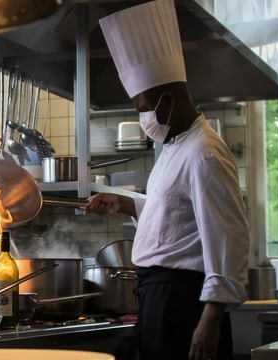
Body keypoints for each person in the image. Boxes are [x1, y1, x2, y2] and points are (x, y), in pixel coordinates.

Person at [83, 1, 249, 359]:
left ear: (168, 100)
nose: (141, 115)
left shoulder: (204, 152)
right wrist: (127, 203)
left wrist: (211, 317)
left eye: (143, 106)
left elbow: (229, 236)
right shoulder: (175, 146)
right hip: (158, 296)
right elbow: (178, 217)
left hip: (184, 301)